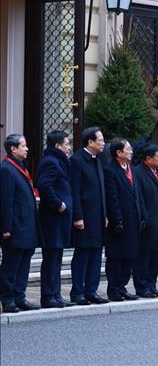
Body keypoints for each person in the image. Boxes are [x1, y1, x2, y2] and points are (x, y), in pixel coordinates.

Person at [69, 127, 109, 305]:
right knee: (82, 254)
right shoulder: (77, 160)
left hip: (98, 216)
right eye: (100, 140)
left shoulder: (97, 160)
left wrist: (105, 214)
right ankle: (77, 292)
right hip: (84, 216)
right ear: (90, 142)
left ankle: (91, 290)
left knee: (96, 254)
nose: (103, 143)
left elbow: (101, 190)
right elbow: (75, 190)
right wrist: (78, 216)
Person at [0, 134, 40, 313]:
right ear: (13, 149)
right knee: (11, 266)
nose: (27, 148)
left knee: (23, 265)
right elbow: (5, 201)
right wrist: (6, 227)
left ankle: (19, 296)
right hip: (15, 228)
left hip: (27, 227)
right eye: (23, 146)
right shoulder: (7, 169)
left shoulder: (21, 167)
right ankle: (7, 299)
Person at [104, 139, 147, 301]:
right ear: (118, 153)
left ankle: (122, 286)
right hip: (120, 222)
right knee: (116, 257)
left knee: (130, 256)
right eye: (128, 149)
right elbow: (112, 199)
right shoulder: (110, 171)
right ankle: (113, 288)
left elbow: (138, 195)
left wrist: (143, 215)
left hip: (134, 220)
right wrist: (117, 221)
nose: (131, 151)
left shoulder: (131, 169)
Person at [36, 130, 74, 308]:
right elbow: (44, 185)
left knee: (56, 258)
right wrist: (59, 204)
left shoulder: (59, 161)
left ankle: (55, 294)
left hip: (59, 219)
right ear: (57, 145)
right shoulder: (50, 162)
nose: (68, 147)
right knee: (51, 258)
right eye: (67, 144)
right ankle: (48, 296)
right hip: (53, 219)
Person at [133, 144, 158, 298]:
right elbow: (138, 198)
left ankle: (152, 285)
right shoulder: (138, 173)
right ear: (148, 159)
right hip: (147, 221)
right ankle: (142, 287)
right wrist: (144, 218)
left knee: (155, 257)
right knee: (144, 258)